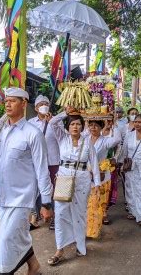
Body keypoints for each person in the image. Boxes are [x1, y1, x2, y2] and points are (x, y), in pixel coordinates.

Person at [0, 88, 54, 275]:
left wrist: (46, 202)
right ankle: (34, 267)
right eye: (6, 101)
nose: (8, 103)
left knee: (6, 242)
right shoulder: (2, 133)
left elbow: (42, 170)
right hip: (2, 197)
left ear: (23, 104)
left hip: (21, 198)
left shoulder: (33, 134)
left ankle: (3, 272)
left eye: (13, 100)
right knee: (15, 237)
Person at [47, 107, 100, 266]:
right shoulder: (62, 138)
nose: (75, 127)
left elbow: (94, 162)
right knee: (61, 213)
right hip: (64, 178)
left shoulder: (87, 141)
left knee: (79, 212)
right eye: (72, 124)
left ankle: (80, 244)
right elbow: (52, 122)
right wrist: (66, 113)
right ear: (68, 127)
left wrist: (96, 183)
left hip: (83, 179)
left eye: (78, 124)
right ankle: (60, 249)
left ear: (82, 126)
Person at [27, 95, 61, 230]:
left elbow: (62, 138)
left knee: (53, 189)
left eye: (46, 103)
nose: (43, 106)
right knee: (35, 189)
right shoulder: (30, 123)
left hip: (52, 160)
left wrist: (53, 122)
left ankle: (53, 216)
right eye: (41, 104)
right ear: (36, 108)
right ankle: (35, 217)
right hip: (35, 162)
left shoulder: (56, 122)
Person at [85, 118, 121, 238]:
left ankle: (93, 230)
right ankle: (86, 229)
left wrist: (113, 125)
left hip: (101, 176)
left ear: (101, 128)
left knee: (98, 203)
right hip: (86, 175)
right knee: (88, 204)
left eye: (96, 126)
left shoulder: (105, 141)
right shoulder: (84, 140)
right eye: (91, 125)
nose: (93, 128)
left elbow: (117, 139)